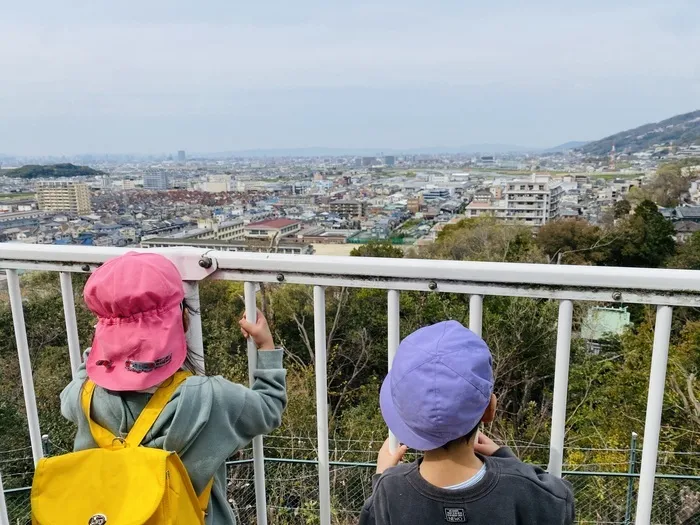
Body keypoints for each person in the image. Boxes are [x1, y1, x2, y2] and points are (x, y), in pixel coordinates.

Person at [60, 252, 287, 524]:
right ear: (181, 320)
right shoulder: (211, 399)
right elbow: (270, 407)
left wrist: (108, 344)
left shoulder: (85, 396)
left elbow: (74, 388)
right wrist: (266, 347)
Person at [360, 320, 574, 525]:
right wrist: (508, 460)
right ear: (490, 410)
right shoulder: (532, 493)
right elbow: (561, 499)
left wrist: (381, 479)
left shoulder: (389, 493)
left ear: (402, 415)